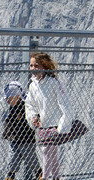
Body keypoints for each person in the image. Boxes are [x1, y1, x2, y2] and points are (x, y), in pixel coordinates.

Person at [26, 52, 79, 180]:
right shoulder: (33, 85)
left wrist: (61, 127)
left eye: (36, 65)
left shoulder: (53, 82)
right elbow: (30, 104)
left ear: (44, 66)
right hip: (43, 126)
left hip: (55, 125)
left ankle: (44, 177)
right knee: (51, 154)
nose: (33, 68)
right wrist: (33, 117)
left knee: (46, 152)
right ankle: (56, 177)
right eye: (31, 65)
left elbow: (65, 104)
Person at [3, 80, 40, 180]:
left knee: (31, 158)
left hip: (26, 139)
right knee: (12, 159)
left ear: (17, 97)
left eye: (9, 98)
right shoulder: (12, 107)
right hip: (14, 138)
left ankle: (39, 174)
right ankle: (10, 176)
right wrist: (7, 133)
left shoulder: (26, 105)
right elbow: (9, 121)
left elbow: (33, 115)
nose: (7, 101)